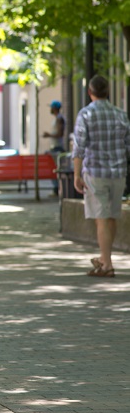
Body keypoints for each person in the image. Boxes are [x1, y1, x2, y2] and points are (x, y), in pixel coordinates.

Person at [72, 75, 130, 278]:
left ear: (90, 92)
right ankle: (105, 259)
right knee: (111, 216)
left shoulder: (86, 114)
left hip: (96, 173)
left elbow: (79, 147)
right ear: (108, 92)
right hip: (118, 173)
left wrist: (76, 174)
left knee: (102, 218)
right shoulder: (120, 114)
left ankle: (107, 265)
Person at [43, 100, 66, 195]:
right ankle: (56, 188)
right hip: (54, 146)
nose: (50, 109)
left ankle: (57, 189)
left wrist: (49, 135)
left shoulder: (60, 119)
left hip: (57, 147)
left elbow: (60, 134)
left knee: (56, 168)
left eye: (52, 107)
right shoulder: (56, 118)